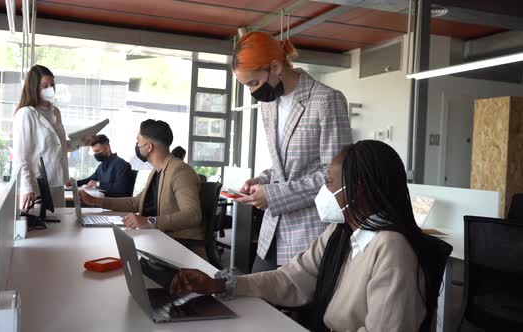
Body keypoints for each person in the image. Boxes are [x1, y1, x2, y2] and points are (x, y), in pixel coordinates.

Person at [171, 140, 439, 332]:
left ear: (356, 190)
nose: (323, 192)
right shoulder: (341, 232)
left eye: (329, 183)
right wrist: (220, 285)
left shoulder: (392, 249)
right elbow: (290, 279)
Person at [232, 31, 352, 271]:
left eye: (254, 83)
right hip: (271, 232)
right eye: (247, 86)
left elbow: (336, 177)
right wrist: (262, 180)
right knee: (255, 298)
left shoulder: (326, 100)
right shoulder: (269, 105)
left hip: (309, 233)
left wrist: (274, 195)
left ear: (276, 67)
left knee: (288, 305)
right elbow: (284, 166)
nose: (253, 92)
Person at [78, 120, 205, 258]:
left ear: (149, 147)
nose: (137, 145)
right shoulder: (157, 171)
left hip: (180, 247)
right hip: (158, 239)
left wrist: (149, 221)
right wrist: (95, 201)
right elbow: (135, 203)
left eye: (138, 141)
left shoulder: (180, 171)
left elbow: (193, 215)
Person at [12, 64, 90, 209]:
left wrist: (80, 143)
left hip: (57, 182)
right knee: (40, 228)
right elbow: (21, 155)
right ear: (34, 87)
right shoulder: (26, 114)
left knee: (58, 224)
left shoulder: (55, 112)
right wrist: (27, 187)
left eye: (52, 85)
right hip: (37, 186)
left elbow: (58, 146)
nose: (50, 89)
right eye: (45, 85)